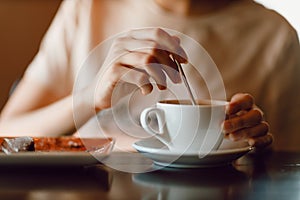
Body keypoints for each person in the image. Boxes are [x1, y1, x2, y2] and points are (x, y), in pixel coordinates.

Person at [0, 0, 298, 152]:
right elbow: (6, 131)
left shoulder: (274, 35)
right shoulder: (89, 8)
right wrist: (90, 97)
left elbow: (288, 163)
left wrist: (256, 150)